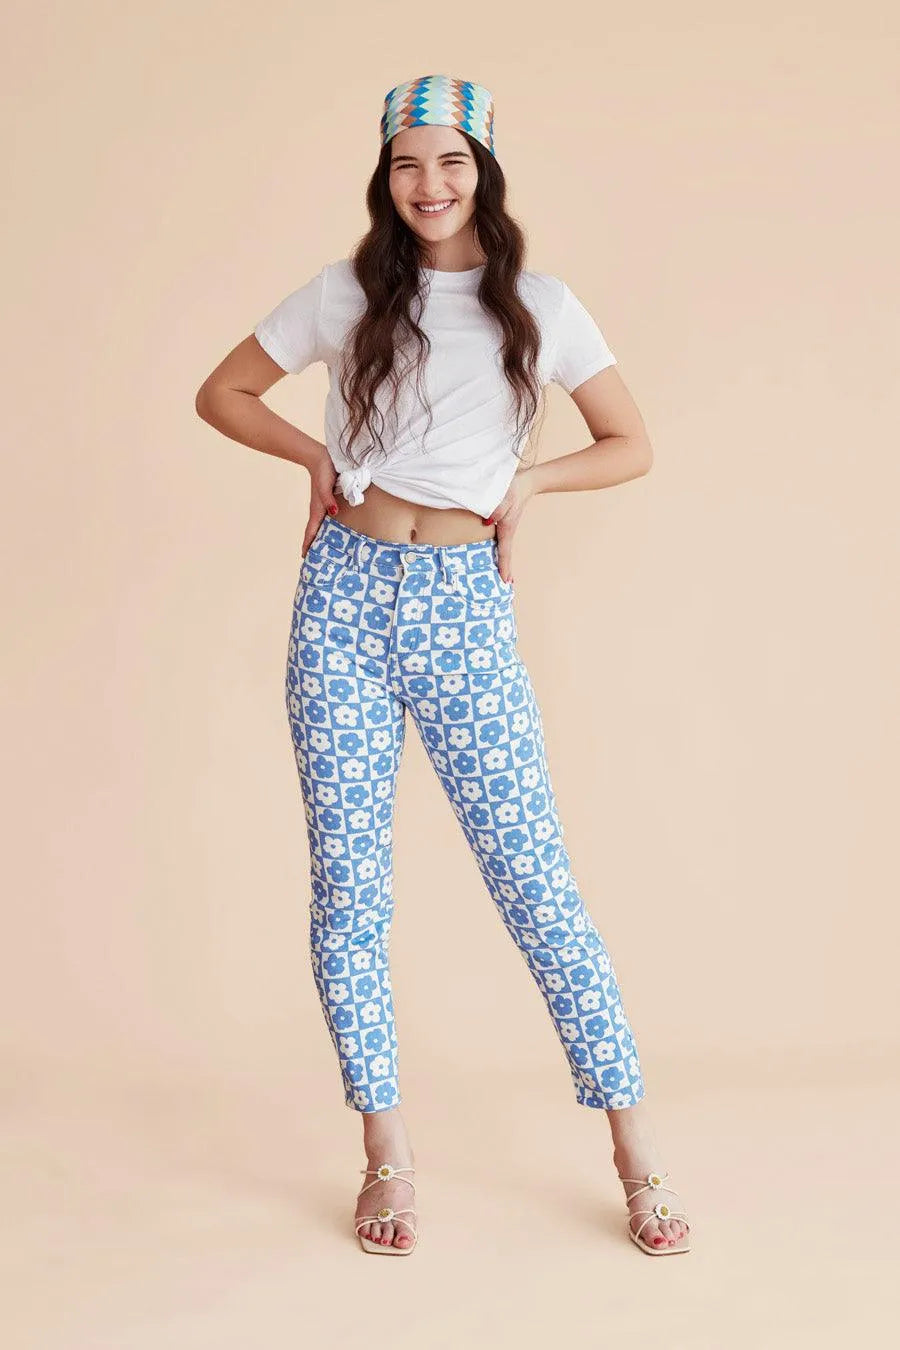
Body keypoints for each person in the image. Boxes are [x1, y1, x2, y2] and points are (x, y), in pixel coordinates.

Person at [195, 73, 691, 1258]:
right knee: (348, 891)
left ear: (484, 171)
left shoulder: (542, 306)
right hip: (342, 603)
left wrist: (531, 484)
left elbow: (631, 442)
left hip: (464, 609)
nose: (430, 183)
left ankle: (639, 1158)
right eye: (407, 162)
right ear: (385, 176)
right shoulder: (344, 295)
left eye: (451, 160)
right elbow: (222, 393)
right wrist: (313, 457)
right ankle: (387, 1157)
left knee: (536, 883)